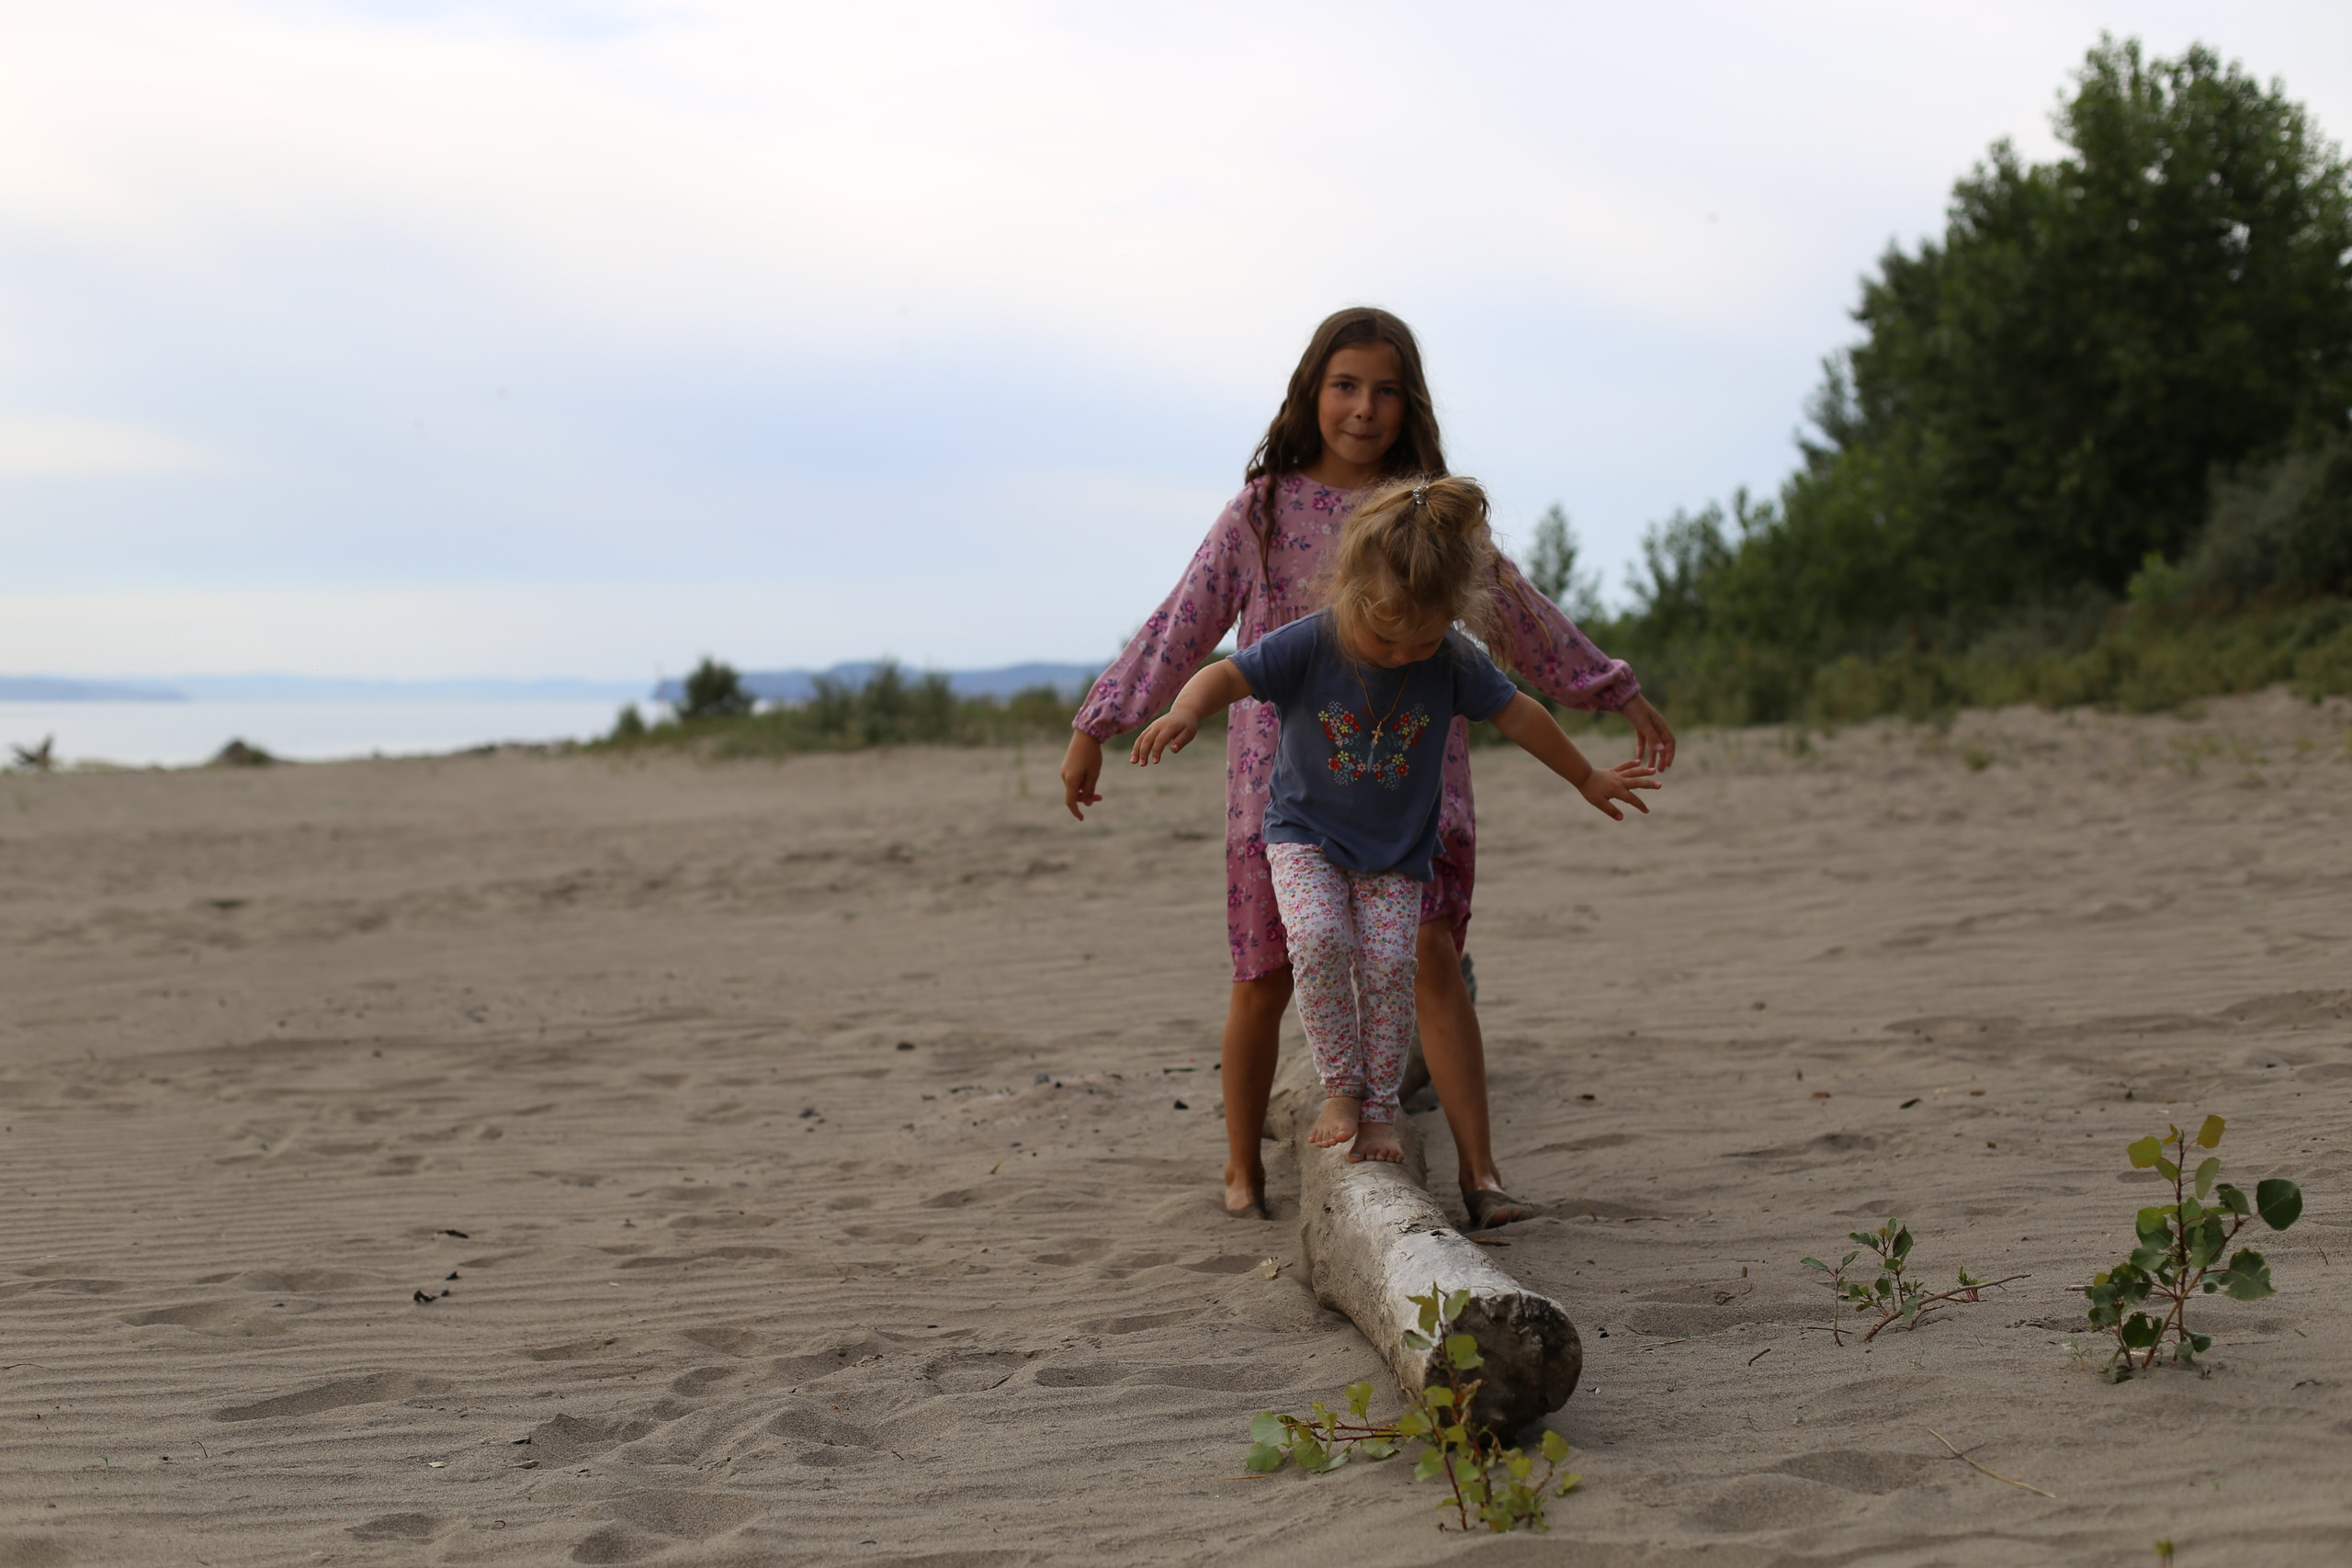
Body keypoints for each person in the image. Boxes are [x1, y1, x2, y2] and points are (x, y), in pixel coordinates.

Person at [1060, 306, 1675, 1224]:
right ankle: (1240, 1167)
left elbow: (1516, 615)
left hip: (1413, 780)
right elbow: (1183, 622)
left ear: (1410, 401)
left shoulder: (1427, 510)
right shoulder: (1262, 511)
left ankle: (1480, 1173)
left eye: (1385, 390)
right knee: (1267, 970)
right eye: (1344, 385)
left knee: (1428, 954)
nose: (1362, 408)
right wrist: (1100, 720)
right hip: (1284, 785)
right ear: (1311, 393)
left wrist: (1610, 687)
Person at [1127, 477, 1657, 1165]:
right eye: (1385, 636)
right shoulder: (1311, 642)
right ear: (1348, 589)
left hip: (1398, 851)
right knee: (1317, 940)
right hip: (1304, 837)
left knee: (1387, 967)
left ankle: (1380, 1109)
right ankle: (1340, 1087)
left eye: (1422, 641)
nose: (1403, 654)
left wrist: (1586, 775)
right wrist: (1185, 710)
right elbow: (1228, 675)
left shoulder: (1450, 657)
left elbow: (1520, 712)